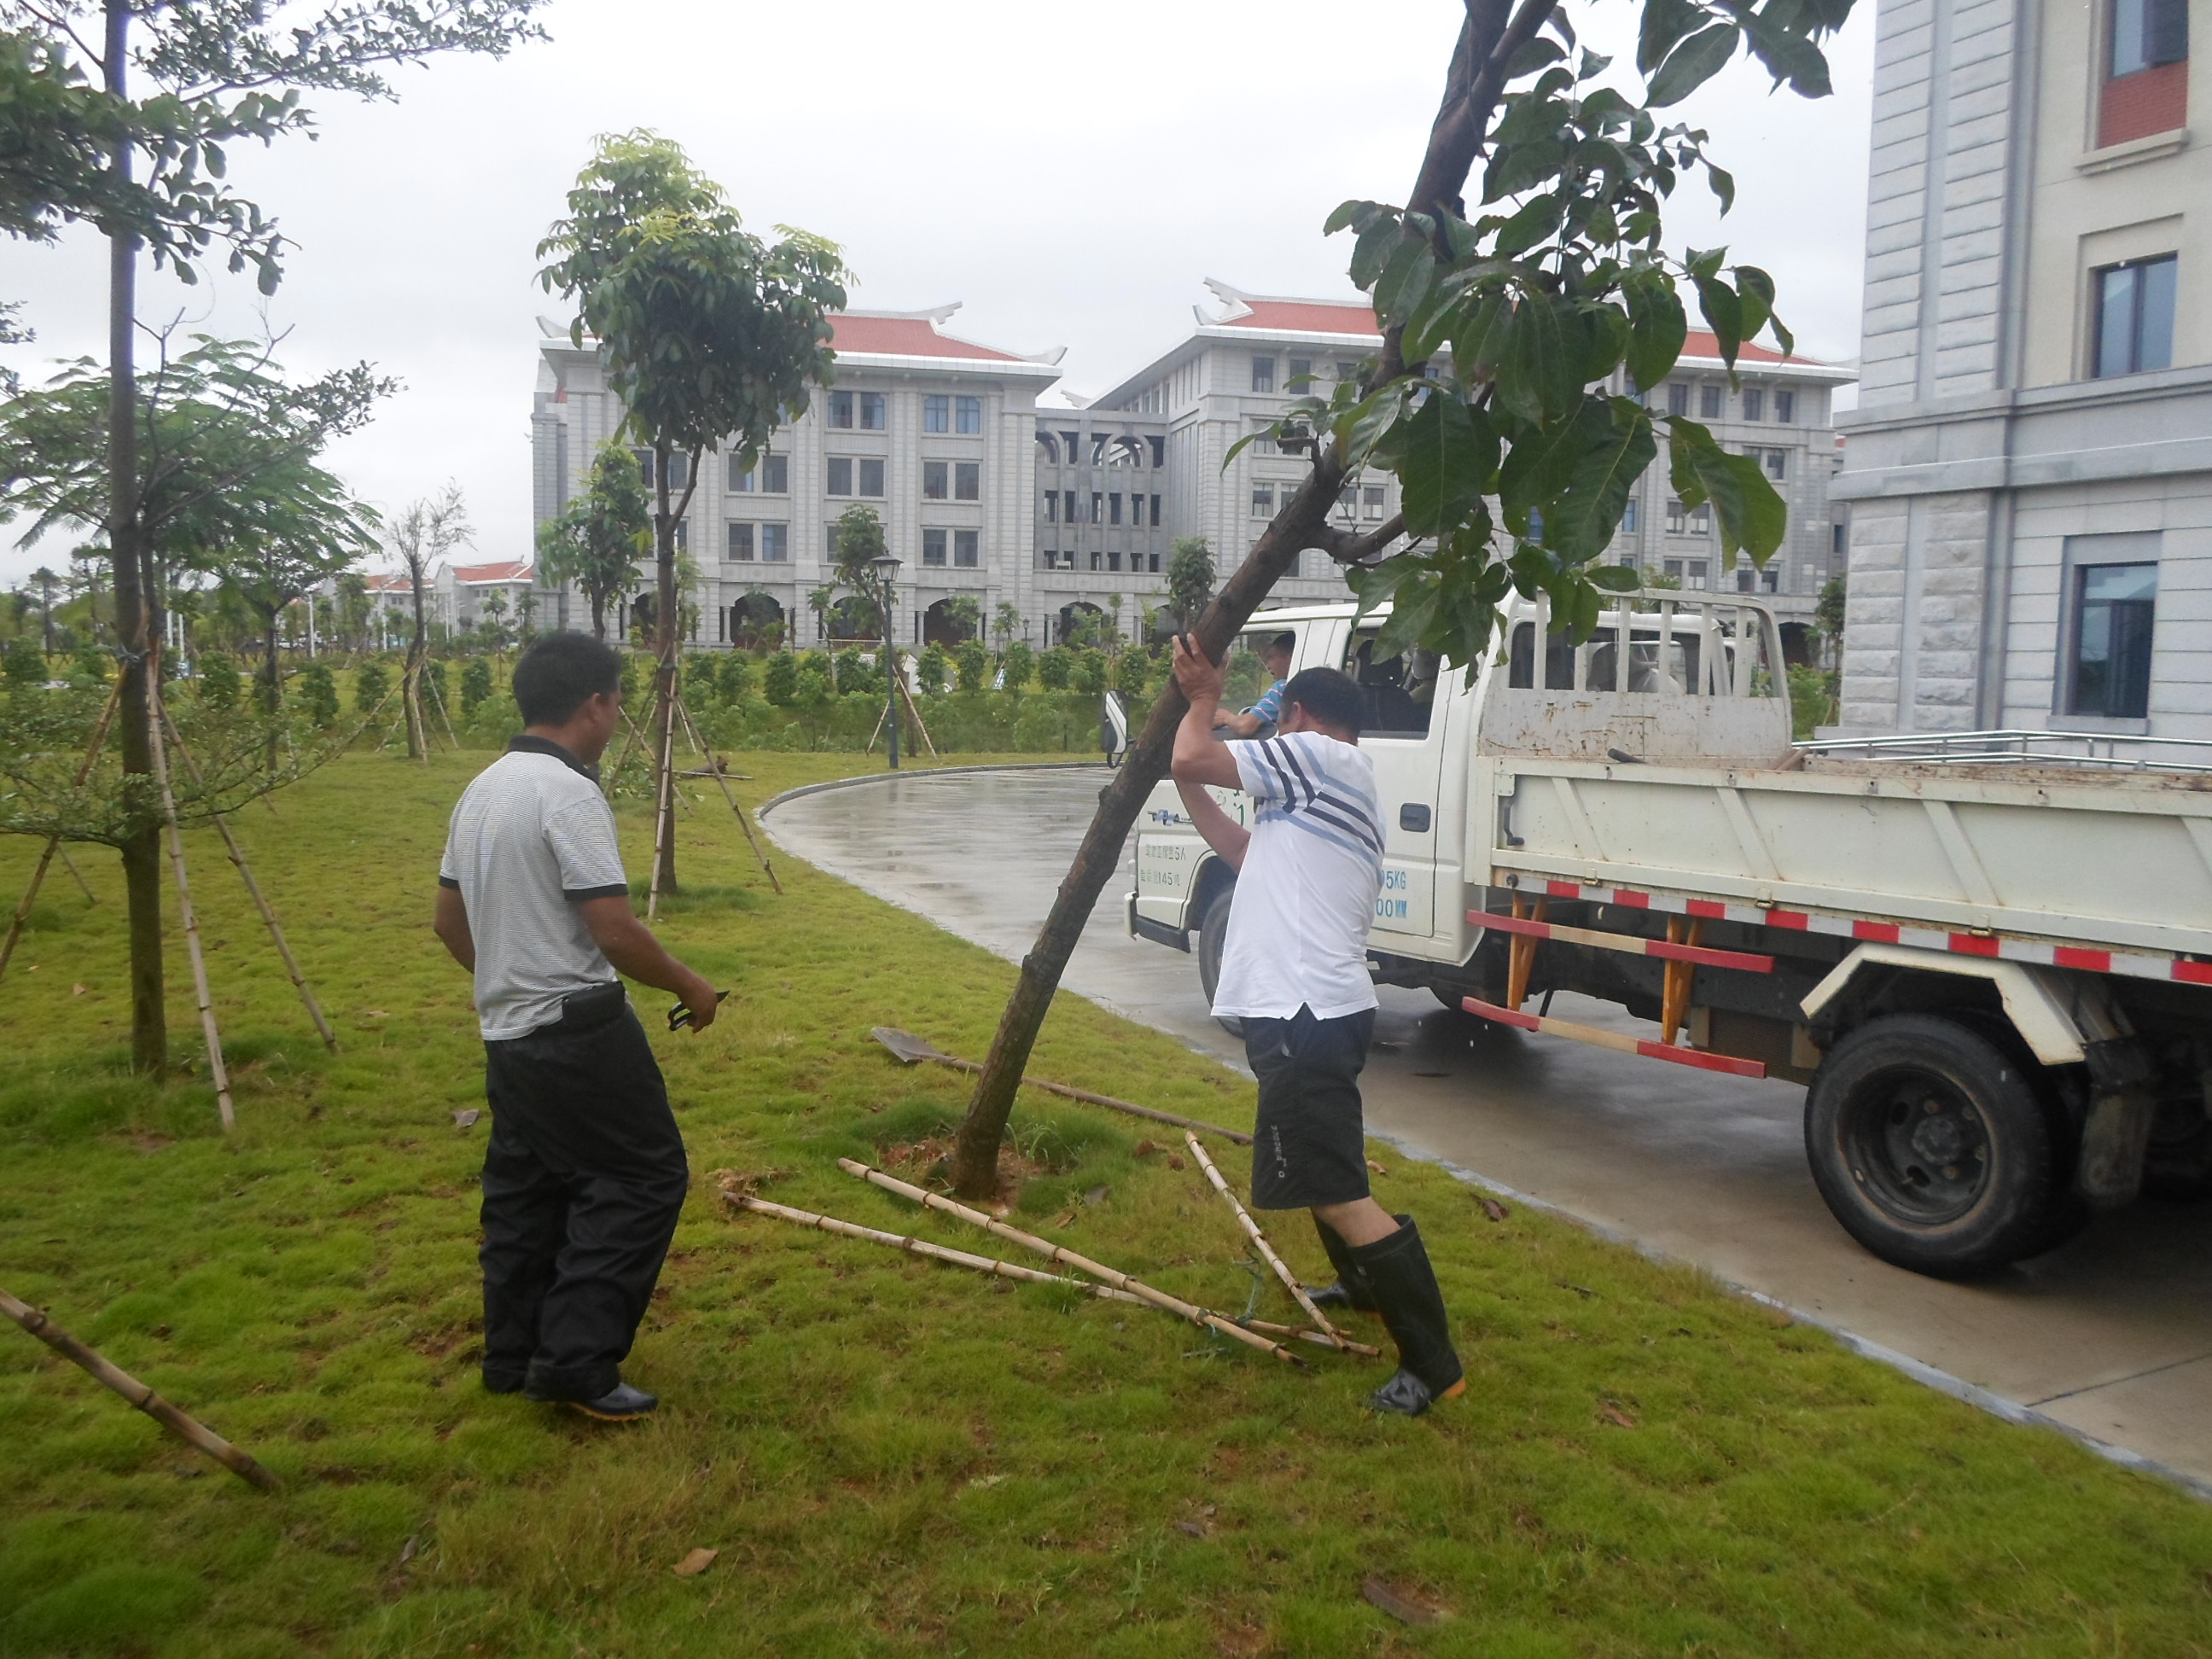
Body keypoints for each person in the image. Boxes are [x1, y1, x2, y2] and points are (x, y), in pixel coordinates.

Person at [1168, 636, 1464, 1417]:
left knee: (1333, 1190)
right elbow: (1241, 847)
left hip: (1305, 1012)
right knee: (1323, 1169)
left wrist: (1204, 701)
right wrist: (1183, 776)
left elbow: (1203, 756)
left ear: (1296, 715)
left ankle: (1433, 1365)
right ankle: (1367, 1286)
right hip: (1311, 1012)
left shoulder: (1320, 759)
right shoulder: (1326, 790)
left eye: (1274, 721)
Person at [433, 633, 720, 1423]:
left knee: (529, 1191)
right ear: (594, 703)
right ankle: (575, 1364)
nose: (617, 715)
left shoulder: (482, 790)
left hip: (509, 1034)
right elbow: (614, 930)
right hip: (577, 1029)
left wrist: (506, 982)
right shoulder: (567, 793)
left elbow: (448, 923)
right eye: (617, 702)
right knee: (641, 1178)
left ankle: (514, 1356)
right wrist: (693, 987)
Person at [1213, 631, 1296, 739]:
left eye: (1272, 657)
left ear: (1290, 658)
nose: (1268, 666)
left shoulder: (1283, 688)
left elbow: (1245, 725)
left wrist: (1226, 717)